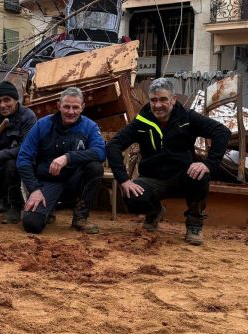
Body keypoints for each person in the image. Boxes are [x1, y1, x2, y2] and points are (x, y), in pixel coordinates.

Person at [106, 77, 230, 245]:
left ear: (173, 100)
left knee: (201, 175)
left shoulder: (188, 117)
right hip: (152, 179)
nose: (158, 105)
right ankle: (154, 212)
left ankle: (194, 224)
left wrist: (208, 163)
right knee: (131, 196)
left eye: (163, 99)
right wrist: (124, 179)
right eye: (153, 100)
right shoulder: (142, 121)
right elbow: (114, 145)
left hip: (183, 178)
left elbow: (221, 132)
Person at [16, 87, 106, 234]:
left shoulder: (90, 126)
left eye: (75, 107)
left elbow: (101, 152)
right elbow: (23, 158)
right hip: (49, 181)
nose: (71, 112)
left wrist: (68, 157)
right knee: (32, 225)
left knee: (95, 167)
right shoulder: (42, 125)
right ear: (59, 106)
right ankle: (49, 209)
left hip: (75, 181)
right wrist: (34, 189)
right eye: (66, 107)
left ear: (82, 107)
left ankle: (80, 217)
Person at [0, 81, 37, 224]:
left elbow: (26, 148)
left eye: (7, 100)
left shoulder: (28, 117)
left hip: (22, 160)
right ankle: (2, 199)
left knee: (12, 164)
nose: (2, 105)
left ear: (16, 100)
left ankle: (15, 206)